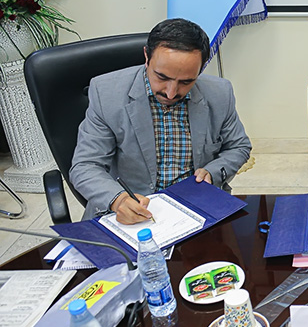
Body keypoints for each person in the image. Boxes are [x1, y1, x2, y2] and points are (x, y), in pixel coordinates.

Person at [70, 18, 252, 224]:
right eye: (162, 77)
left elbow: (239, 146)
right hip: (132, 209)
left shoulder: (219, 93)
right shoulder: (106, 93)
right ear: (146, 56)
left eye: (186, 81)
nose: (171, 92)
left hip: (197, 207)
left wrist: (212, 172)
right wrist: (118, 200)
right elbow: (85, 165)